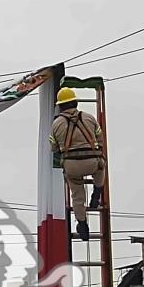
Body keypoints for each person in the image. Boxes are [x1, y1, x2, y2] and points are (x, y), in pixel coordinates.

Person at [49, 87, 105, 241]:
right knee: (101, 166)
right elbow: (100, 140)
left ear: (60, 106)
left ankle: (82, 224)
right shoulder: (89, 118)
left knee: (77, 195)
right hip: (91, 162)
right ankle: (97, 191)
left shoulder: (56, 124)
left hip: (71, 165)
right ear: (76, 102)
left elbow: (53, 148)